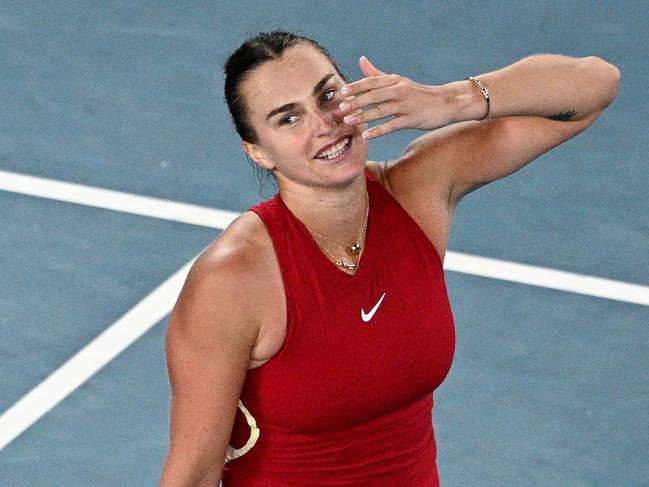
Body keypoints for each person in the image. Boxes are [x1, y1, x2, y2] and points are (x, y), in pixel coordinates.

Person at [160, 30, 620, 486]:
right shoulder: (235, 277)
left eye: (328, 95)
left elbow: (596, 86)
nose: (325, 124)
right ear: (258, 152)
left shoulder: (418, 191)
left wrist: (452, 100)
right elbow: (194, 475)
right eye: (289, 119)